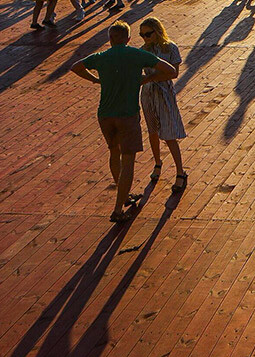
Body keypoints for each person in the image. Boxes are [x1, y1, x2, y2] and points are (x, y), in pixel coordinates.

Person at [71, 21, 177, 222]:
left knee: (114, 152)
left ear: (110, 39)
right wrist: (147, 79)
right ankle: (118, 209)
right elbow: (170, 70)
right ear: (128, 39)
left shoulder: (101, 57)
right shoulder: (137, 55)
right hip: (127, 114)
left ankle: (124, 195)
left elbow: (76, 67)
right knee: (128, 159)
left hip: (105, 115)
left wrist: (95, 79)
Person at [138, 17, 188, 191]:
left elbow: (173, 74)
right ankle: (157, 162)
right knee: (152, 130)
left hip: (164, 93)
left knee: (168, 134)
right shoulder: (142, 50)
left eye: (148, 34)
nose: (145, 38)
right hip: (147, 94)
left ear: (157, 31)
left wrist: (149, 78)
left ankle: (180, 171)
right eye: (142, 35)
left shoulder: (170, 48)